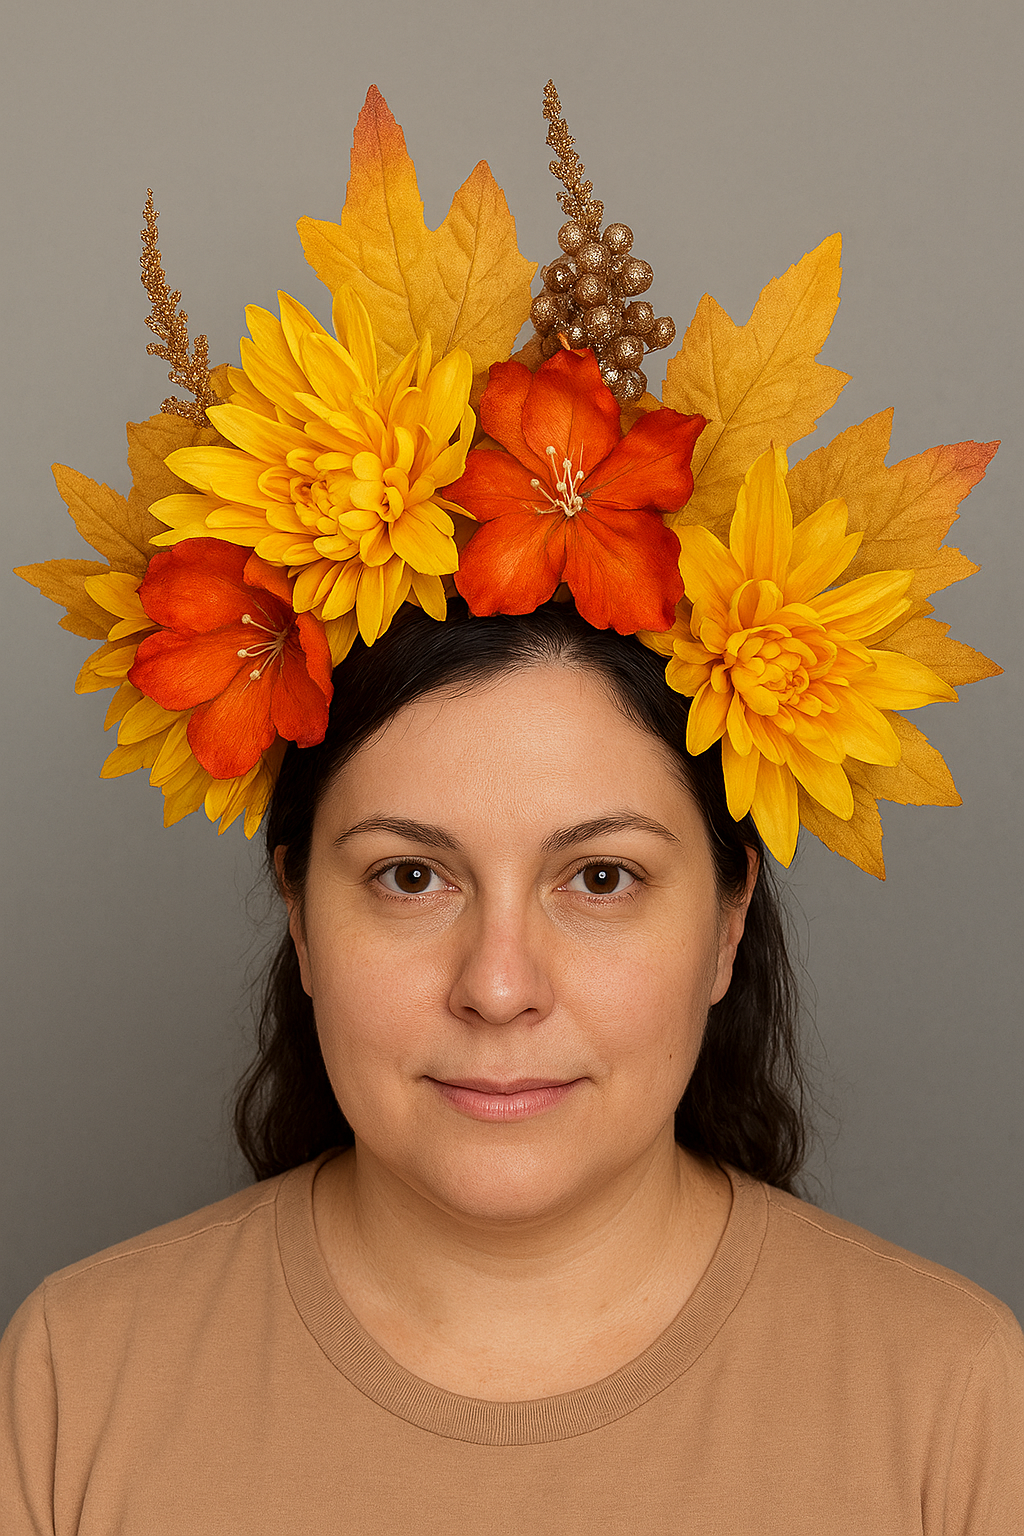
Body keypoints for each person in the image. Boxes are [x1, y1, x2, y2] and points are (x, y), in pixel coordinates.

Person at [4, 84, 1021, 1532]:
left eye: (599, 879)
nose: (498, 985)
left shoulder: (961, 1409)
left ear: (731, 919)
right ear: (295, 905)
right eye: (410, 878)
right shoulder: (69, 1386)